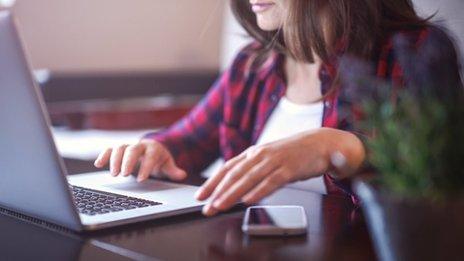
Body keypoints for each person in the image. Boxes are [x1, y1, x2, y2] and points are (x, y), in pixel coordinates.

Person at [94, 0, 462, 216]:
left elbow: (440, 184)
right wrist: (154, 150)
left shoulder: (414, 52)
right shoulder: (253, 65)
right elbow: (183, 141)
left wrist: (335, 146)